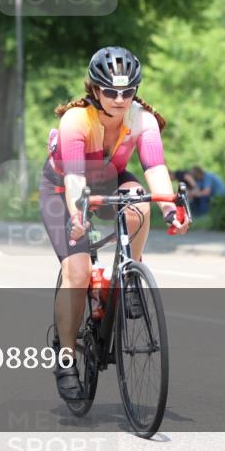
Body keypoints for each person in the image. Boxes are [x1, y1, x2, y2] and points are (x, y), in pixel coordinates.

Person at [40, 46, 189, 401]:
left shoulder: (143, 120)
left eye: (128, 91)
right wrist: (78, 217)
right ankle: (65, 359)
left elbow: (154, 167)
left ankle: (130, 273)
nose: (120, 99)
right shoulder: (77, 121)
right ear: (95, 90)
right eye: (111, 91)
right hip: (65, 187)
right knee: (76, 273)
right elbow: (75, 178)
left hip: (110, 179)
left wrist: (170, 208)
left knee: (139, 203)